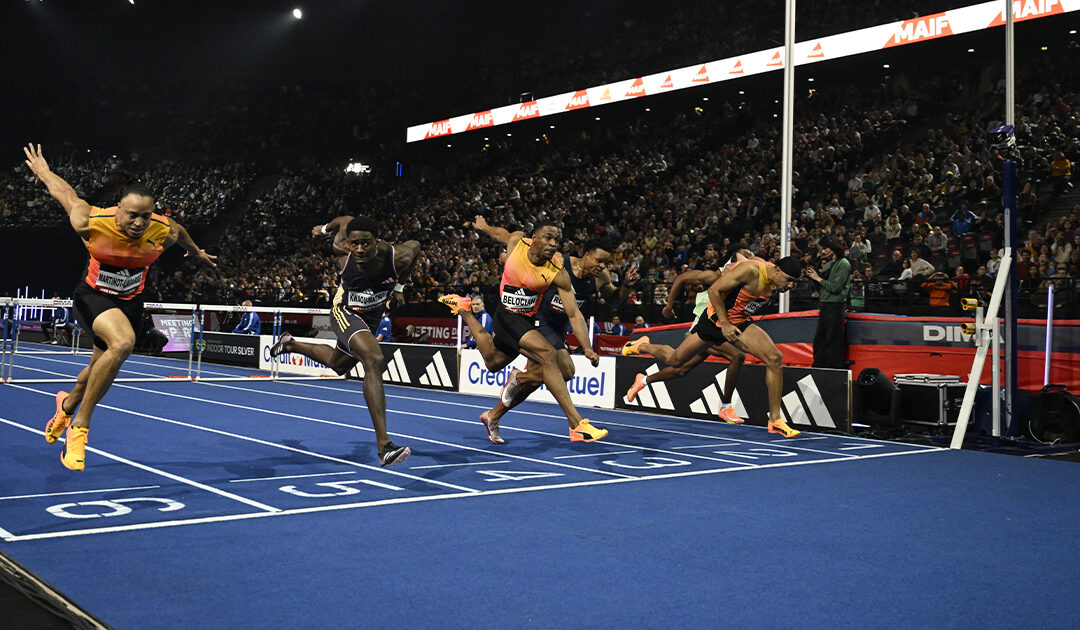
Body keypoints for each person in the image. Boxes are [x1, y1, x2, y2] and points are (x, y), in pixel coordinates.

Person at [25, 143, 217, 471]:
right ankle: (79, 428)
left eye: (146, 215)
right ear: (117, 210)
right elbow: (66, 193)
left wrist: (196, 250)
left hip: (128, 303)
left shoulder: (162, 228)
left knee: (99, 368)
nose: (140, 222)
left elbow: (179, 231)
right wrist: (43, 171)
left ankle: (66, 406)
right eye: (132, 215)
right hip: (92, 296)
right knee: (124, 342)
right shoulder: (91, 221)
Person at [439, 216, 608, 443]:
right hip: (506, 315)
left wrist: (586, 347)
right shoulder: (519, 243)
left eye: (556, 240)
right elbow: (501, 234)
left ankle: (466, 311)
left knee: (492, 361)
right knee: (549, 356)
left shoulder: (557, 272)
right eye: (548, 238)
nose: (552, 244)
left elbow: (574, 314)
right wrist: (485, 227)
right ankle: (576, 424)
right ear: (534, 237)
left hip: (526, 321)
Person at [268, 215, 419, 467]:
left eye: (365, 244)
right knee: (374, 358)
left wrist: (401, 288)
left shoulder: (398, 255)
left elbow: (415, 248)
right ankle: (384, 446)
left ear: (377, 241)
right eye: (354, 244)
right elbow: (346, 219)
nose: (359, 250)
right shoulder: (342, 250)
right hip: (345, 310)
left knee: (338, 365)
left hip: (371, 317)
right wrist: (326, 228)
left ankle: (291, 343)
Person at [471, 227, 638, 444]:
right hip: (537, 320)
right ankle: (575, 423)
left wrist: (625, 286)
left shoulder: (599, 278)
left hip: (557, 329)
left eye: (606, 264)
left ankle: (495, 412)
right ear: (586, 254)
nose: (603, 267)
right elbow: (522, 249)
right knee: (555, 364)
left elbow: (606, 304)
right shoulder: (559, 262)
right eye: (599, 261)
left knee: (554, 374)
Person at [623, 255, 805, 437]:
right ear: (778, 270)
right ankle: (642, 346)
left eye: (793, 283)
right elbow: (714, 291)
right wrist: (724, 324)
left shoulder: (769, 275)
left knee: (774, 358)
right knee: (676, 361)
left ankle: (775, 419)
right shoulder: (751, 271)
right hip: (714, 322)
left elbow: (747, 257)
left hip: (739, 323)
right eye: (789, 280)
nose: (789, 286)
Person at [806, 237, 851, 369]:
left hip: (835, 306)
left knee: (833, 340)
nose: (823, 251)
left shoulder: (843, 263)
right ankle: (819, 366)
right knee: (820, 340)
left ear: (833, 248)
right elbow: (824, 283)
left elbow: (836, 287)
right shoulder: (830, 263)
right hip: (825, 304)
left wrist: (818, 278)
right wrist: (814, 276)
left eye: (826, 248)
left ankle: (833, 369)